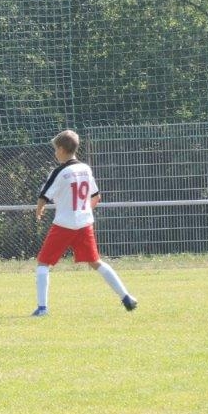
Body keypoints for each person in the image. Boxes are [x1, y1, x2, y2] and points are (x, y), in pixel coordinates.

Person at [32, 129, 138, 316]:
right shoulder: (85, 169)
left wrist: (39, 210)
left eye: (56, 149)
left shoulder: (59, 171)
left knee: (43, 263)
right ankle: (126, 297)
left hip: (63, 225)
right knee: (96, 262)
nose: (55, 153)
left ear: (62, 149)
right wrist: (83, 211)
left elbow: (43, 196)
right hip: (84, 224)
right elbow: (96, 197)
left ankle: (42, 308)